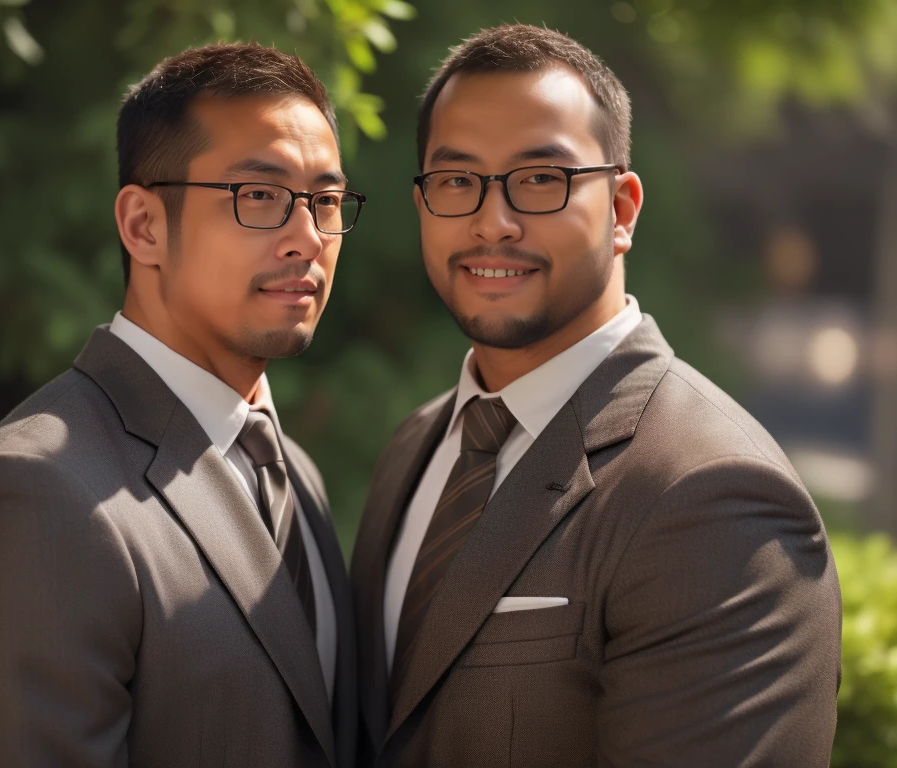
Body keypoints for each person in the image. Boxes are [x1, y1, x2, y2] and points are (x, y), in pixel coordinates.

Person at [351, 24, 841, 767]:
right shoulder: (416, 448)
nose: (493, 221)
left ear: (622, 210)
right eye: (457, 181)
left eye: (540, 179)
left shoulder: (714, 496)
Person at [0, 42, 363, 768]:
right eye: (260, 195)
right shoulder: (33, 495)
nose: (307, 237)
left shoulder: (292, 472)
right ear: (144, 225)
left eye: (326, 202)